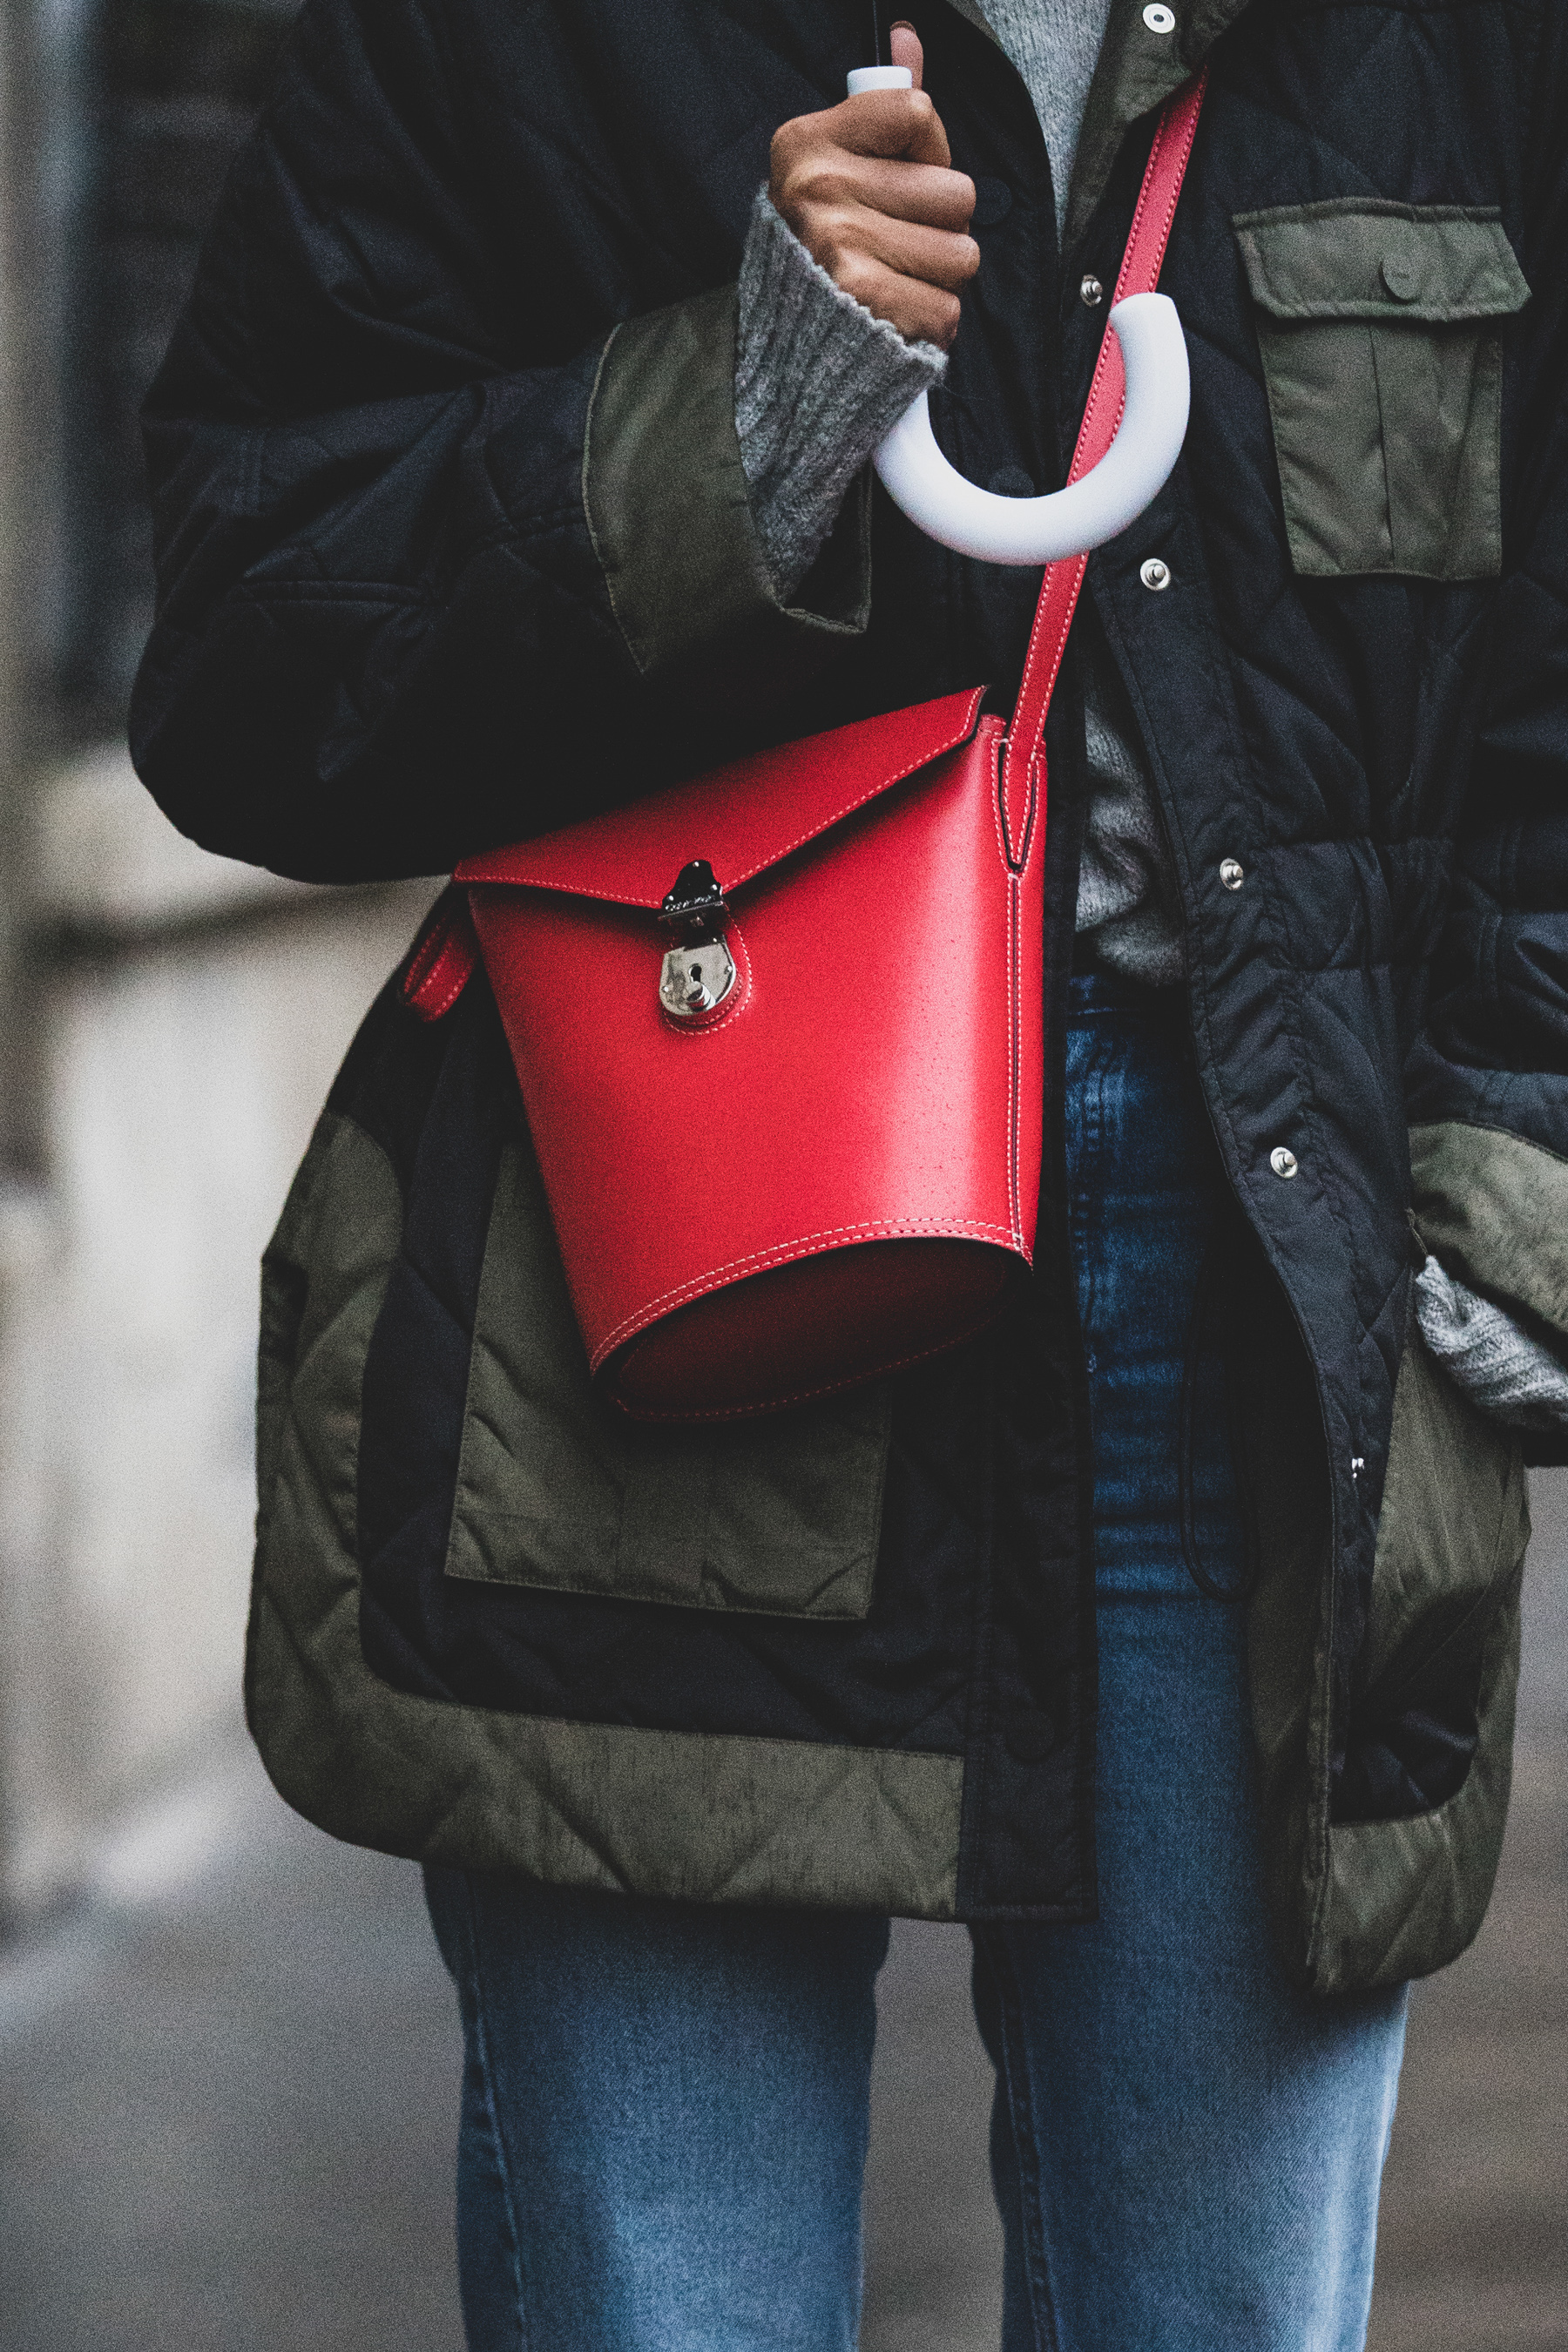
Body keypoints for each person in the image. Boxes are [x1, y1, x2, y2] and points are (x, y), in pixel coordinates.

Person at [131, 0, 1568, 2344]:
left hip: (1258, 1286)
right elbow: (234, 651)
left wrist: (1524, 1155)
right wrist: (739, 418)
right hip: (651, 1278)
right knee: (657, 2304)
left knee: (1217, 2306)